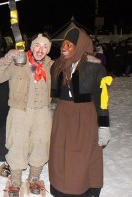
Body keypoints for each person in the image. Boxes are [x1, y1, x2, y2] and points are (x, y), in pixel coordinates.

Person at [49, 27, 112, 197]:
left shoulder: (95, 69)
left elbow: (102, 99)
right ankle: (61, 187)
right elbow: (38, 70)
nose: (64, 48)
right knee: (60, 153)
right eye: (63, 44)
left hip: (85, 117)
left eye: (70, 45)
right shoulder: (57, 66)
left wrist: (104, 126)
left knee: (83, 156)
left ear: (81, 46)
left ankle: (83, 188)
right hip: (63, 115)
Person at [0, 33, 53, 196]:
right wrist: (6, 59)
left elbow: (70, 68)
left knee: (41, 144)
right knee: (17, 144)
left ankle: (34, 177)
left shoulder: (51, 65)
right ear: (32, 47)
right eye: (38, 45)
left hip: (42, 112)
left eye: (45, 46)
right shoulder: (19, 62)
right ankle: (16, 178)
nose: (41, 49)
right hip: (19, 111)